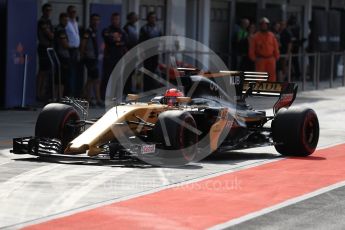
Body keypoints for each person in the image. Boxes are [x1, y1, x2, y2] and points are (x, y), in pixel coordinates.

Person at [101, 12, 128, 99]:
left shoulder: (122, 31)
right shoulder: (107, 30)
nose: (115, 21)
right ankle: (104, 96)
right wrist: (116, 41)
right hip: (109, 57)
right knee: (107, 78)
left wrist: (117, 41)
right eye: (114, 19)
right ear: (111, 20)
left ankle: (117, 96)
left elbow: (124, 42)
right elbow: (109, 40)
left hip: (119, 57)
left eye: (117, 19)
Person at [80, 14, 103, 107]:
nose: (95, 22)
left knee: (90, 79)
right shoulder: (88, 31)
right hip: (89, 58)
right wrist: (82, 55)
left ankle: (86, 98)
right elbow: (83, 44)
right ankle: (97, 99)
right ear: (90, 20)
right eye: (94, 20)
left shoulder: (95, 31)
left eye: (97, 20)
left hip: (94, 58)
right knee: (96, 79)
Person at [249, 17, 280, 81]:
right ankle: (260, 90)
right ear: (260, 26)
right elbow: (252, 48)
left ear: (268, 26)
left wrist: (277, 56)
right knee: (259, 77)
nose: (264, 26)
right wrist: (253, 58)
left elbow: (275, 47)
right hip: (260, 59)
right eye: (262, 25)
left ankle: (271, 89)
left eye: (265, 25)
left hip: (271, 59)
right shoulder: (255, 36)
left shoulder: (272, 35)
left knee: (272, 76)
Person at [139, 12, 162, 91]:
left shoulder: (158, 28)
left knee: (154, 70)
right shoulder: (144, 28)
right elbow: (141, 42)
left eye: (154, 18)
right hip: (147, 53)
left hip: (155, 53)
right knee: (147, 71)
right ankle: (146, 89)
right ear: (148, 19)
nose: (153, 19)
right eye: (151, 17)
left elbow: (161, 40)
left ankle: (153, 88)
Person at [37, 3, 54, 101]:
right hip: (43, 47)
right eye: (47, 10)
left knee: (47, 71)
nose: (48, 12)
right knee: (42, 71)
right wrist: (52, 35)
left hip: (49, 48)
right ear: (43, 11)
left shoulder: (49, 21)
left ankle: (43, 93)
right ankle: (39, 93)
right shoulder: (42, 21)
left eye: (50, 10)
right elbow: (50, 35)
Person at [65, 5, 81, 97]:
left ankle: (74, 93)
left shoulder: (75, 22)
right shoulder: (67, 23)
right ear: (68, 13)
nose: (73, 13)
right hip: (69, 49)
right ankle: (69, 94)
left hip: (75, 50)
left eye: (74, 12)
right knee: (70, 73)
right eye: (71, 12)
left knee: (74, 72)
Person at [54, 13, 70, 98]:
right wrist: (71, 45)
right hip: (61, 56)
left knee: (60, 79)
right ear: (60, 20)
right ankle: (59, 97)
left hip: (60, 56)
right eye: (64, 20)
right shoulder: (60, 30)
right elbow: (65, 44)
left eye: (67, 20)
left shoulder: (60, 29)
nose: (66, 22)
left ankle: (58, 97)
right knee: (61, 79)